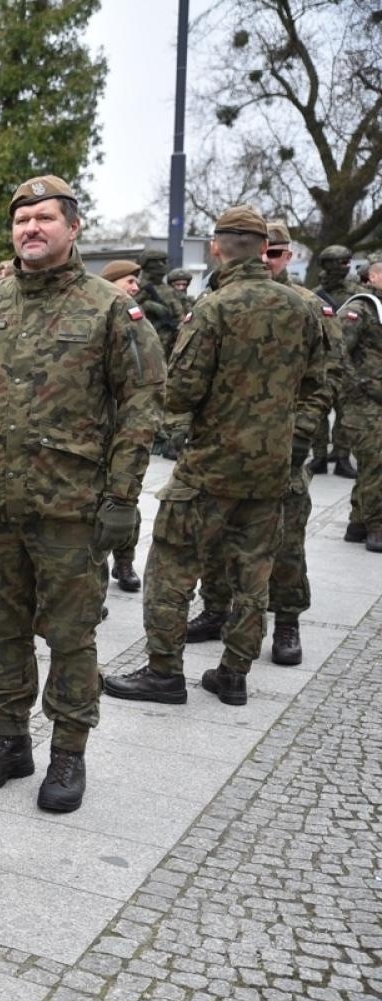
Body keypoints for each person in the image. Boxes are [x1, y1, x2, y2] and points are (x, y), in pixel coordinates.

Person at [0, 176, 163, 814]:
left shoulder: (108, 308)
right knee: (6, 629)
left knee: (72, 635)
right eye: (21, 220)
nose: (30, 229)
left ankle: (69, 752)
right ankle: (10, 740)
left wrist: (123, 498)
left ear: (73, 228)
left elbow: (140, 405)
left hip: (71, 509)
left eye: (44, 218)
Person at [105, 206, 324, 707]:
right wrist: (294, 435)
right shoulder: (301, 308)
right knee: (253, 575)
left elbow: (181, 391)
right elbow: (318, 383)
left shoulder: (213, 309)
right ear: (264, 248)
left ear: (217, 248)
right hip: (272, 468)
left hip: (210, 466)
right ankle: (234, 674)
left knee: (172, 565)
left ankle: (164, 671)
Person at [186, 220, 339, 663]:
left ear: (286, 256)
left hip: (280, 450)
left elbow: (327, 379)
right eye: (260, 253)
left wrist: (301, 433)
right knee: (211, 540)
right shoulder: (216, 302)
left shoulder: (309, 307)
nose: (265, 261)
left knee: (286, 539)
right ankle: (216, 610)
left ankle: (287, 620)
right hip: (222, 449)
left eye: (274, 254)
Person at [98, 258, 159, 594]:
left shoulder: (136, 318)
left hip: (125, 430)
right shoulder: (101, 312)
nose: (135, 287)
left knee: (126, 501)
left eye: (136, 282)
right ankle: (101, 566)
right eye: (128, 282)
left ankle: (124, 561)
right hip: (95, 430)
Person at [338, 259, 382, 550]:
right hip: (364, 404)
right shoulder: (359, 309)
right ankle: (376, 527)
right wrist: (363, 386)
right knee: (377, 463)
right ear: (372, 276)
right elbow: (337, 351)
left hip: (376, 401)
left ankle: (357, 523)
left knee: (372, 464)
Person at [314, 246, 362, 477]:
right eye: (341, 262)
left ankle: (342, 457)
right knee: (319, 412)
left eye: (347, 262)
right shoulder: (315, 294)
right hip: (321, 361)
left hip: (347, 362)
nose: (346, 266)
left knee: (344, 412)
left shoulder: (357, 293)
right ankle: (320, 457)